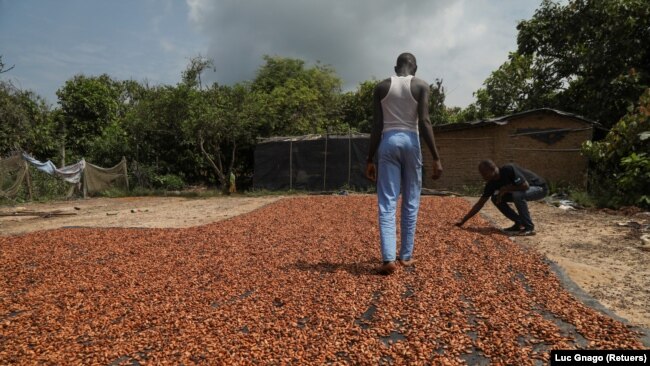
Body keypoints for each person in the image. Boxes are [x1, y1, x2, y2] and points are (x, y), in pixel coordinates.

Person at [365, 52, 443, 275]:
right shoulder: (421, 85)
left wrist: (370, 159)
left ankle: (388, 258)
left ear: (396, 67)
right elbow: (425, 122)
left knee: (387, 202)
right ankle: (406, 256)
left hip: (388, 142)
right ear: (415, 68)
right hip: (411, 141)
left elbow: (377, 126)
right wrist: (436, 158)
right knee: (411, 200)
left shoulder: (381, 86)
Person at [455, 160, 548, 235]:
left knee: (518, 194)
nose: (483, 177)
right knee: (495, 198)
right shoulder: (491, 184)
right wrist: (463, 221)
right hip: (524, 191)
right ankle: (519, 222)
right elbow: (480, 204)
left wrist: (506, 189)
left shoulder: (508, 169)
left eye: (485, 174)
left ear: (493, 169)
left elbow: (525, 186)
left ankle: (529, 227)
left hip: (539, 188)